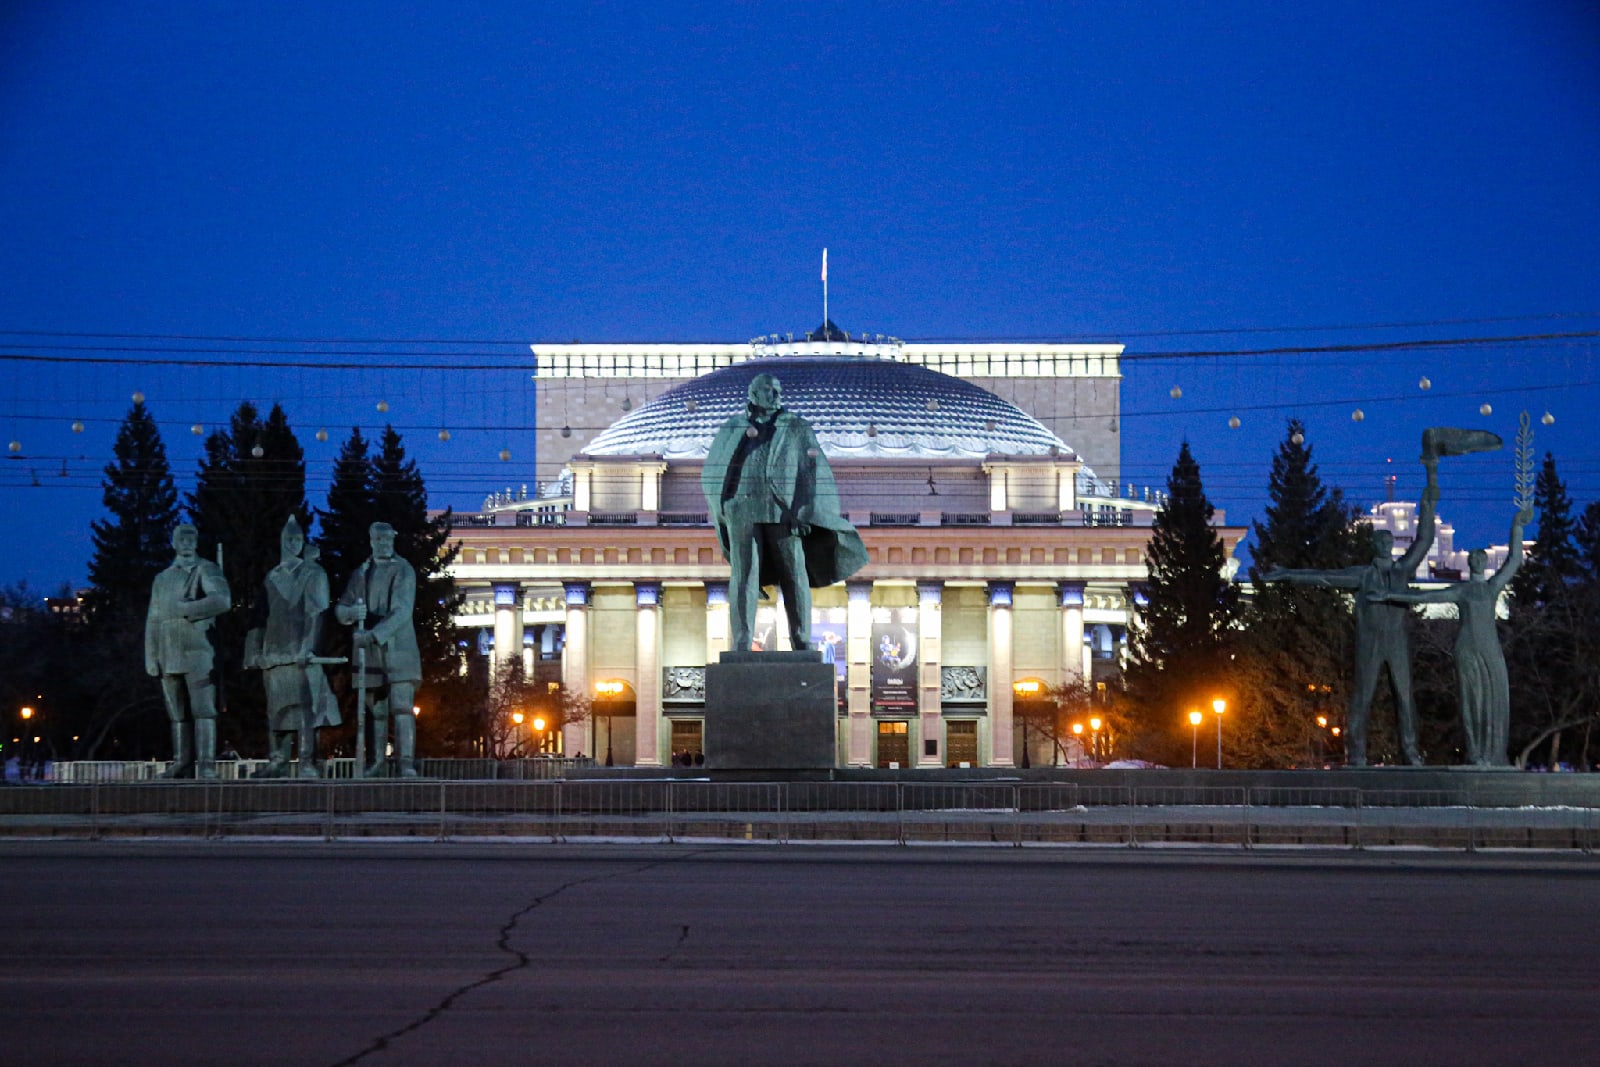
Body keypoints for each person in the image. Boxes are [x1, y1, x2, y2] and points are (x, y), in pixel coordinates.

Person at [1262, 460, 1439, 766]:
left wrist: (1428, 501)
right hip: (1370, 644)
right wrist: (1287, 573)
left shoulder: (1403, 570)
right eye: (1380, 541)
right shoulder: (1362, 575)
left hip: (1397, 644)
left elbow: (1424, 540)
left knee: (1405, 698)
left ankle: (1410, 752)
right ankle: (1357, 753)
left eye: (1388, 541)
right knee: (1363, 698)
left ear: (1393, 544)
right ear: (1373, 545)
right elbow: (1324, 576)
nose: (1385, 544)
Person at [701, 372, 867, 652]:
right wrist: (723, 509)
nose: (776, 395)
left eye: (778, 390)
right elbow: (714, 470)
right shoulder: (733, 427)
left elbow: (809, 471)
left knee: (794, 574)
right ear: (753, 394)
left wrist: (804, 510)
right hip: (741, 509)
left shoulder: (797, 427)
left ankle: (801, 640)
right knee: (744, 576)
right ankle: (741, 642)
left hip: (783, 511)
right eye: (769, 390)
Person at [1370, 507, 1531, 767]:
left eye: (1481, 559)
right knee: (1471, 700)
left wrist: (1517, 527)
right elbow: (1424, 597)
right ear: (1469, 564)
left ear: (1484, 564)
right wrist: (1389, 595)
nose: (1478, 562)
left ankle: (1494, 754)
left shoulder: (1491, 588)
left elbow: (1513, 560)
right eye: (1475, 560)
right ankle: (1475, 753)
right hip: (1467, 648)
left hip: (1491, 649)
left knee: (1496, 699)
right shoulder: (1461, 590)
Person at [245, 517, 340, 779]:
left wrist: (308, 647)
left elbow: (317, 613)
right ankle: (278, 760)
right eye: (288, 539)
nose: (293, 544)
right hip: (274, 652)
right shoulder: (271, 576)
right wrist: (254, 650)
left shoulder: (313, 573)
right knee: (276, 710)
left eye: (297, 539)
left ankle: (307, 761)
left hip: (301, 652)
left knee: (306, 709)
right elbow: (259, 615)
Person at [145, 523, 231, 779]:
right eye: (180, 538)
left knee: (203, 709)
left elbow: (222, 600)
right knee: (177, 712)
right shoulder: (162, 578)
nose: (185, 542)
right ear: (173, 542)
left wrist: (189, 610)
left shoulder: (206, 569)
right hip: (168, 650)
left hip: (198, 650)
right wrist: (151, 655)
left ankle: (206, 763)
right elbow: (153, 618)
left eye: (190, 537)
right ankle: (181, 761)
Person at [336, 522, 421, 777]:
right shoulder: (361, 572)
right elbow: (341, 607)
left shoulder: (403, 569)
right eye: (378, 539)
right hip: (370, 654)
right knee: (376, 710)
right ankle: (377, 762)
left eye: (387, 539)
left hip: (398, 649)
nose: (383, 544)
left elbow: (402, 610)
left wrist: (373, 635)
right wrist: (350, 613)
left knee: (402, 707)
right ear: (371, 540)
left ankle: (406, 762)